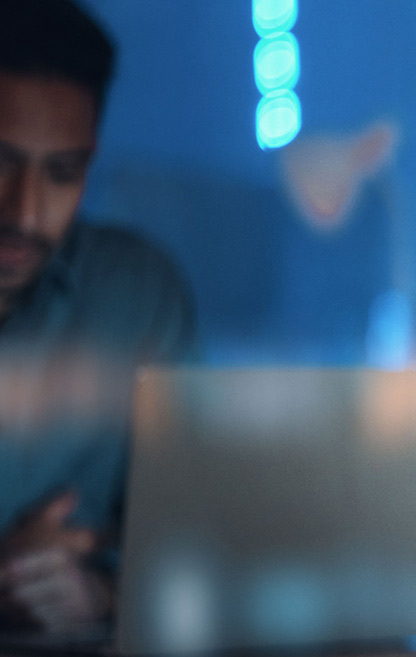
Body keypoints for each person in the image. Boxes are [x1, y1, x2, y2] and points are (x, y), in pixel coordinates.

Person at [0, 0, 197, 632]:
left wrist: (100, 598)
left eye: (62, 173)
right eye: (0, 162)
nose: (24, 213)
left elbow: (195, 553)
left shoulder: (139, 299)